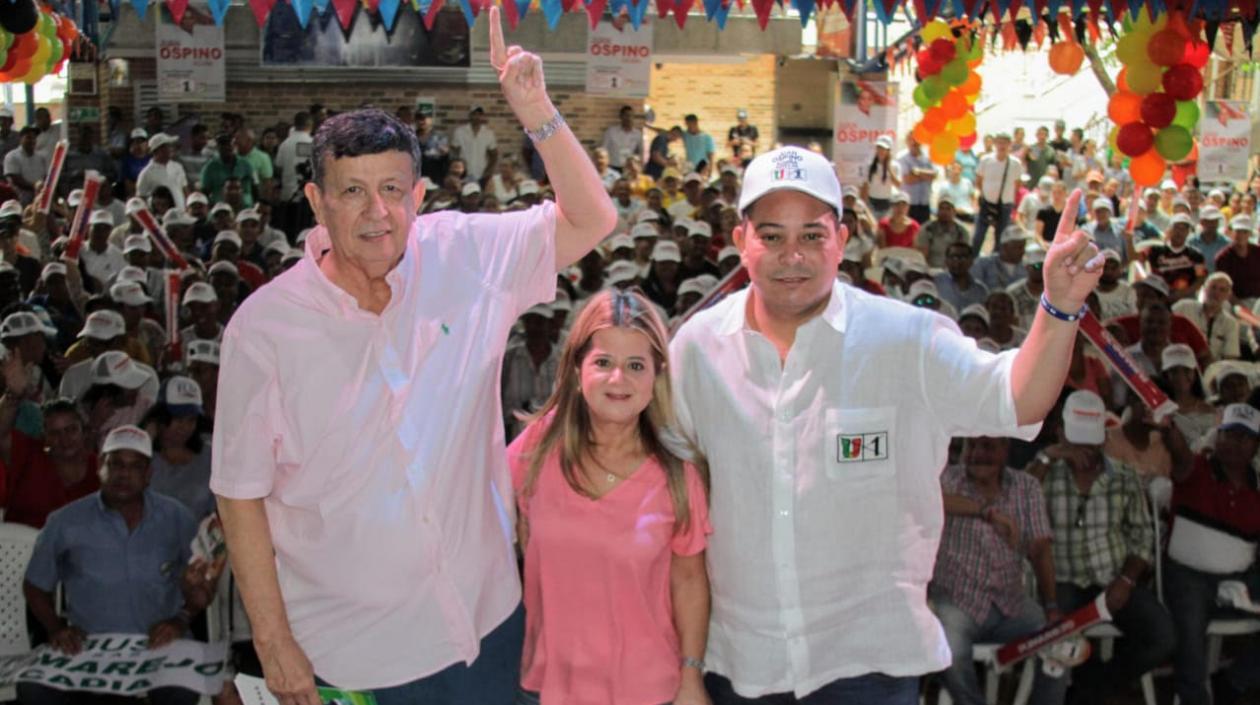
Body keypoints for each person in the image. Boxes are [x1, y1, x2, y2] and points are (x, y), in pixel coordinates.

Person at [210, 11, 617, 704]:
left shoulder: (465, 255)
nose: (377, 213)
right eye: (352, 192)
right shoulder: (265, 329)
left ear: (419, 196)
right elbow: (239, 492)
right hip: (352, 652)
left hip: (486, 630)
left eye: (393, 189)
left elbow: (592, 220)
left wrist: (536, 111)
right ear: (316, 201)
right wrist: (274, 643)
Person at [669, 145, 1103, 705]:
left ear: (843, 241)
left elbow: (1017, 400)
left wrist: (1059, 306)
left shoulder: (907, 340)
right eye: (772, 236)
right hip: (739, 664)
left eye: (812, 236)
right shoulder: (697, 350)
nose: (791, 255)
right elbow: (666, 496)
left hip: (868, 664)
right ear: (740, 243)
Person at [507, 288, 711, 705]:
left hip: (649, 690)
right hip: (547, 687)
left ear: (656, 377)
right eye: (603, 363)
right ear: (577, 371)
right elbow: (509, 532)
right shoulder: (536, 449)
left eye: (636, 365)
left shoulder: (677, 473)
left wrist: (691, 675)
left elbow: (689, 581)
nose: (619, 379)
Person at [19, 425, 203, 705]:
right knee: (33, 689)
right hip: (89, 646)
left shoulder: (178, 518)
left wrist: (181, 619)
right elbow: (34, 585)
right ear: (99, 466)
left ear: (148, 474)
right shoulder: (65, 522)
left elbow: (203, 582)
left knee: (181, 693)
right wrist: (56, 628)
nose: (123, 474)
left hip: (161, 644)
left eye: (135, 466)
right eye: (115, 463)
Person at [1026, 391, 1176, 705]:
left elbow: (1143, 537)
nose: (1085, 450)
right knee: (1054, 640)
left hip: (1113, 578)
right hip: (1061, 581)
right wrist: (1047, 457)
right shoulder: (1044, 472)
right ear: (1060, 433)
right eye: (1076, 440)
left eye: (1091, 441)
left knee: (1162, 638)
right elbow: (1017, 507)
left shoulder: (1123, 476)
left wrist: (1126, 580)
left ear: (1103, 437)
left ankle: (1087, 689)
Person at [932, 435, 1067, 705]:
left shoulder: (1025, 486)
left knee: (1059, 645)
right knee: (949, 651)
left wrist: (1051, 606)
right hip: (957, 601)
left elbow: (1040, 550)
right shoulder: (947, 478)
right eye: (972, 446)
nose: (979, 454)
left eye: (989, 446)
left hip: (1012, 603)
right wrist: (986, 512)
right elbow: (927, 498)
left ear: (1005, 449)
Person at [1163, 404, 1260, 705]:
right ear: (1217, 437)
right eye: (1229, 434)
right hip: (1188, 575)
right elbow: (1178, 452)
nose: (1234, 442)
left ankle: (1234, 682)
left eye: (1244, 437)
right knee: (1190, 627)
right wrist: (1167, 428)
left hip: (1239, 579)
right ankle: (1194, 699)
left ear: (1256, 446)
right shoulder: (1196, 469)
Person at [142, 376, 215, 521]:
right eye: (178, 419)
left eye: (191, 420)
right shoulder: (142, 456)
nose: (184, 428)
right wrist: (144, 444)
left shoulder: (209, 458)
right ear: (161, 417)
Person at [972, 132, 1023, 253]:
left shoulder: (1015, 163)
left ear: (1010, 145)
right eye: (999, 142)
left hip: (1005, 204)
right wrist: (984, 195)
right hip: (987, 203)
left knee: (1000, 238)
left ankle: (995, 262)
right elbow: (979, 180)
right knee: (978, 236)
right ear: (995, 143)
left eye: (1005, 142)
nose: (1002, 145)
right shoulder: (986, 160)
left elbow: (1017, 184)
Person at [1173, 271, 1241, 361]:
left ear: (1228, 296)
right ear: (1204, 289)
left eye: (1222, 290)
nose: (1216, 293)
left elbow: (1231, 356)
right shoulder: (1184, 307)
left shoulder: (1230, 323)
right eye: (1213, 287)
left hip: (1213, 369)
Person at [1145, 213, 1205, 298]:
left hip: (1185, 298)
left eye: (1183, 229)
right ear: (1170, 229)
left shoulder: (1196, 255)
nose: (1179, 232)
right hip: (1159, 297)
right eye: (1176, 228)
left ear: (1188, 232)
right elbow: (1136, 260)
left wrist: (1184, 293)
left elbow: (1200, 279)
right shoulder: (1156, 251)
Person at [136, 133, 190, 211]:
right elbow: (141, 198)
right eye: (168, 146)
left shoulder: (178, 167)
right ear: (159, 150)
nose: (171, 149)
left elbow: (185, 189)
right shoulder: (146, 173)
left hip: (181, 213)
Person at [1215, 215, 1260, 302]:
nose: (1241, 235)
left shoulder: (1258, 252)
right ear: (1231, 233)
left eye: (1245, 232)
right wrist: (1240, 307)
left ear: (1250, 234)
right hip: (1234, 302)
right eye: (1238, 231)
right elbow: (1224, 288)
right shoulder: (1223, 257)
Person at [916, 195, 969, 268]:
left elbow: (964, 256)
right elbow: (922, 256)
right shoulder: (927, 229)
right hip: (931, 269)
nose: (944, 212)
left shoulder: (962, 231)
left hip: (954, 270)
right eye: (941, 208)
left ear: (954, 212)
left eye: (948, 209)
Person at [933, 241, 989, 312]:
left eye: (963, 257)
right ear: (946, 261)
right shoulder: (936, 283)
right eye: (953, 257)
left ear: (971, 261)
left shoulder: (981, 290)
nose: (958, 262)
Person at [451, 105, 498, 182]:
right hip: (463, 175)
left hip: (481, 175)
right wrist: (457, 170)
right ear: (470, 115)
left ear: (482, 116)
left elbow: (494, 155)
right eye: (474, 114)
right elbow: (454, 152)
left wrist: (487, 171)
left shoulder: (488, 133)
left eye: (479, 114)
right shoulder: (460, 132)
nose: (476, 117)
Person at [896, 135, 935, 225]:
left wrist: (917, 172)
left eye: (917, 140)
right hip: (909, 204)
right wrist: (926, 175)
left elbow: (934, 175)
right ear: (907, 142)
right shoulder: (902, 158)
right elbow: (908, 179)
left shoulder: (928, 157)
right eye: (911, 140)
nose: (914, 142)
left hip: (924, 203)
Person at [3, 128, 47, 204]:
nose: (32, 140)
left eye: (34, 138)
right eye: (28, 137)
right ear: (20, 139)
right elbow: (15, 179)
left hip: (40, 199)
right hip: (20, 199)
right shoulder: (11, 156)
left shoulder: (40, 157)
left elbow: (45, 176)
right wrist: (34, 186)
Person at [861, 136, 900, 219]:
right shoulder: (870, 165)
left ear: (889, 150)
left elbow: (898, 184)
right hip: (872, 202)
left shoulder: (895, 166)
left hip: (888, 203)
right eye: (879, 148)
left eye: (884, 148)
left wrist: (889, 168)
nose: (881, 151)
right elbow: (865, 185)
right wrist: (863, 205)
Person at [1094, 249, 1137, 320]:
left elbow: (1133, 317)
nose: (1109, 272)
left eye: (1113, 268)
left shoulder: (1128, 291)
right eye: (1105, 267)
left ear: (1120, 269)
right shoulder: (1089, 292)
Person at [601, 105, 643, 169]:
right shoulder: (611, 132)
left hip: (629, 168)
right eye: (626, 115)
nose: (629, 118)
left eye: (631, 116)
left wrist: (639, 166)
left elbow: (641, 152)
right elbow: (603, 150)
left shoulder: (637, 134)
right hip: (612, 167)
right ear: (621, 117)